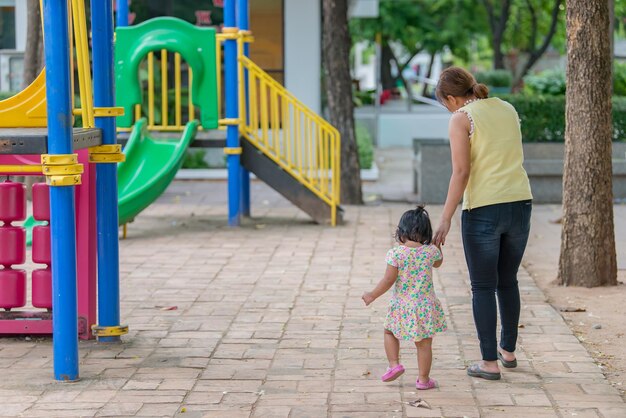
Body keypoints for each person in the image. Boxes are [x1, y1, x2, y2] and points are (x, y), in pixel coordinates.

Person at [432, 67, 533, 381]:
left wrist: (446, 218)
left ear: (451, 97)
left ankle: (489, 363)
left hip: (484, 210)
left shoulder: (461, 118)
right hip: (520, 203)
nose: (448, 109)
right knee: (508, 281)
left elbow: (461, 172)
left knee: (483, 287)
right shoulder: (507, 107)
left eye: (446, 103)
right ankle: (509, 352)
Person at [362, 206, 447, 390]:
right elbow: (438, 263)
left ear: (401, 232)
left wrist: (372, 295)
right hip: (425, 306)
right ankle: (424, 380)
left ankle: (394, 365)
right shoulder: (430, 251)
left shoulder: (396, 254)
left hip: (402, 305)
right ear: (426, 233)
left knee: (389, 332)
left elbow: (388, 280)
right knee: (424, 344)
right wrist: (436, 245)